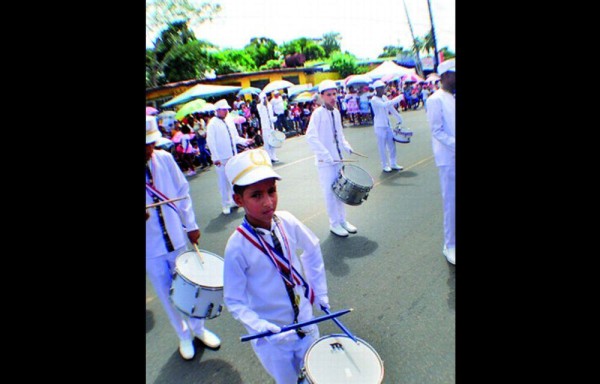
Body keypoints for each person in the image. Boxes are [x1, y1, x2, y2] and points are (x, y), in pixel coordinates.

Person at [222, 148, 330, 384]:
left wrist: (319, 293)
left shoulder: (287, 221)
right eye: (256, 195)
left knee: (315, 375)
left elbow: (312, 248)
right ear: (238, 200)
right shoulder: (237, 246)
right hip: (273, 337)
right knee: (288, 381)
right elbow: (234, 300)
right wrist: (261, 327)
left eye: (271, 191)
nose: (268, 202)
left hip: (306, 322)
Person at [145, 116, 221, 360]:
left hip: (176, 238)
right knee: (167, 293)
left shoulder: (164, 159)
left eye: (150, 143)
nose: (149, 149)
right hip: (151, 247)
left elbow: (182, 192)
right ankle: (183, 334)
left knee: (190, 287)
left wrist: (191, 225)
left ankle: (199, 329)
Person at [305, 79, 358, 237]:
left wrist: (346, 145)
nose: (332, 97)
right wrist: (325, 154)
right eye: (328, 95)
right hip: (325, 162)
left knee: (341, 191)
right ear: (321, 96)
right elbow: (311, 137)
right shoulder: (318, 114)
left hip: (338, 159)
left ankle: (342, 220)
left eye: (334, 94)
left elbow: (340, 136)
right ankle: (334, 223)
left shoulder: (336, 112)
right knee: (330, 192)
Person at [425, 59, 456, 265]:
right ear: (445, 76)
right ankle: (450, 245)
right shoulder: (435, 99)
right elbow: (437, 131)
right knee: (450, 202)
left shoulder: (452, 97)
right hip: (447, 158)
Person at [206, 99, 254, 215]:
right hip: (221, 158)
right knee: (223, 182)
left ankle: (234, 201)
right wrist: (215, 157)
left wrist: (245, 141)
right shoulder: (212, 123)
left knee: (233, 180)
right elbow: (210, 141)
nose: (226, 112)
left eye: (226, 110)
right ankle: (225, 204)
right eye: (223, 110)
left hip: (232, 156)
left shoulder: (229, 120)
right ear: (217, 111)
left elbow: (235, 137)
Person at [369, 79, 405, 173]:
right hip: (379, 126)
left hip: (387, 125)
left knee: (392, 145)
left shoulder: (384, 97)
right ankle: (384, 165)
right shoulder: (374, 100)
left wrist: (399, 117)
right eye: (380, 88)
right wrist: (398, 98)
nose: (383, 89)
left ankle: (393, 163)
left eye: (383, 88)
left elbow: (391, 108)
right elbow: (385, 105)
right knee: (382, 146)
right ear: (376, 89)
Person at [256, 92, 279, 163]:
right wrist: (263, 103)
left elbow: (271, 114)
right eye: (263, 98)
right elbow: (261, 110)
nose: (265, 99)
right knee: (266, 143)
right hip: (265, 127)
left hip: (271, 126)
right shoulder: (259, 106)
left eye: (265, 98)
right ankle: (268, 157)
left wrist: (273, 119)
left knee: (273, 141)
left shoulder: (269, 105)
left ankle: (273, 156)